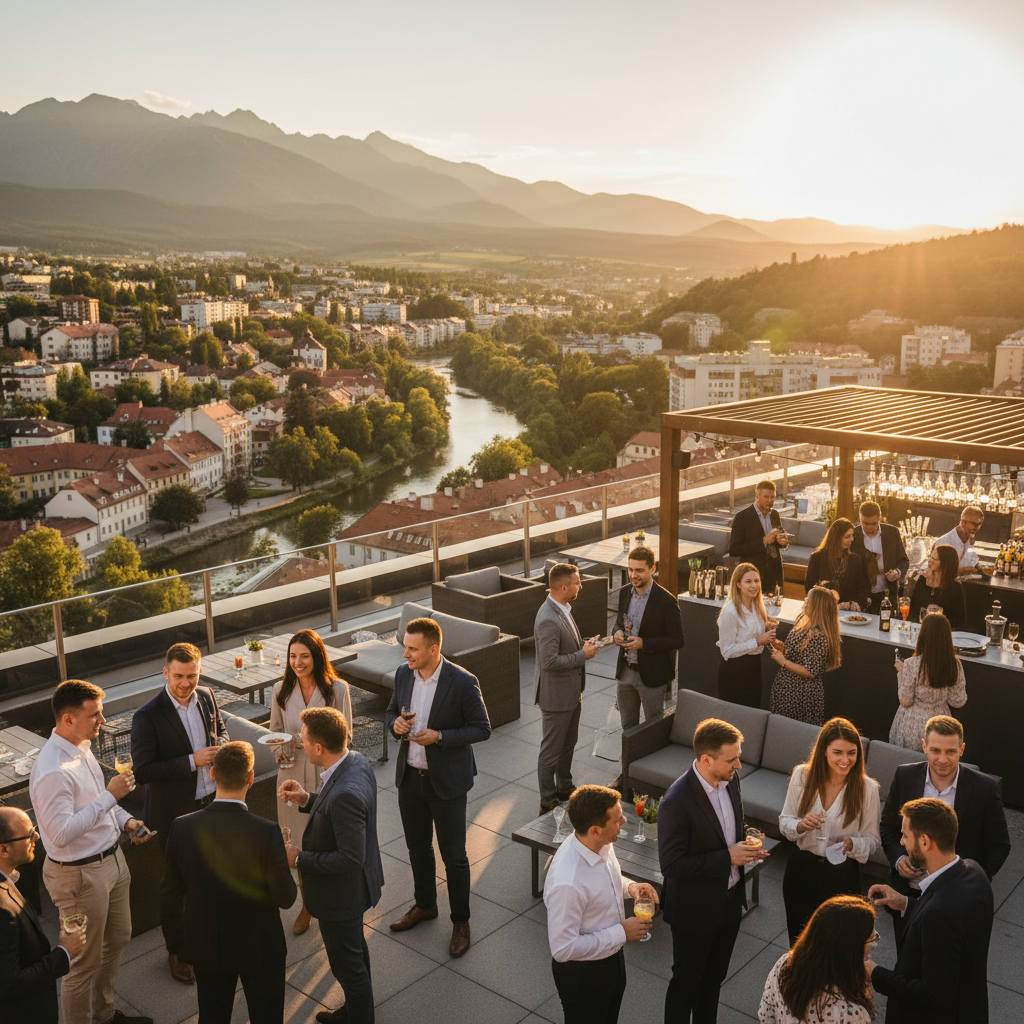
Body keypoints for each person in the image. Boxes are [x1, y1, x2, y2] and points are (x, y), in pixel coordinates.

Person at [29, 679, 154, 1024]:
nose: (103, 720)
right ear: (68, 719)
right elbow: (60, 834)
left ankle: (104, 1014)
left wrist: (126, 820)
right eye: (95, 714)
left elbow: (98, 802)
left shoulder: (81, 747)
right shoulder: (52, 771)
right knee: (82, 962)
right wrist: (112, 795)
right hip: (80, 876)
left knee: (119, 938)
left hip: (112, 859)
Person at [160, 742, 296, 1024]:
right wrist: (284, 861)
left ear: (212, 774)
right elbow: (286, 898)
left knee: (213, 1016)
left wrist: (179, 946)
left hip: (207, 945)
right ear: (251, 777)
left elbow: (170, 896)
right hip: (260, 947)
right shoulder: (267, 832)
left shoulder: (181, 827)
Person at [385, 616, 491, 958]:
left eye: (412, 649)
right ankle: (425, 905)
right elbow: (390, 712)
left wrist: (440, 737)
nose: (405, 654)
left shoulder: (463, 682)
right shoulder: (403, 675)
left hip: (446, 783)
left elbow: (482, 729)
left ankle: (461, 922)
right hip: (409, 779)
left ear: (433, 650)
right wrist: (395, 724)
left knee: (454, 857)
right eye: (405, 647)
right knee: (417, 849)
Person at [658, 718, 769, 1024]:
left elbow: (730, 827)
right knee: (686, 985)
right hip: (694, 911)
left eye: (738, 757)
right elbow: (671, 864)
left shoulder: (731, 780)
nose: (739, 765)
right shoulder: (676, 802)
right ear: (707, 760)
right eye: (732, 759)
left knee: (713, 981)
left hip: (729, 904)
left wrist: (746, 845)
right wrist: (727, 857)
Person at [131, 641, 228, 984]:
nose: (186, 683)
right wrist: (192, 761)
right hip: (174, 814)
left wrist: (222, 748)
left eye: (192, 676)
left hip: (211, 804)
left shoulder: (207, 696)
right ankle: (177, 951)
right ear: (165, 673)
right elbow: (143, 771)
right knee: (175, 886)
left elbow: (220, 730)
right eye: (178, 676)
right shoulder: (146, 716)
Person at [279, 706, 383, 1024]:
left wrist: (298, 858)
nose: (301, 743)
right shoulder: (355, 761)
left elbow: (350, 857)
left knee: (347, 967)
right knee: (355, 953)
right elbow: (336, 810)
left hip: (341, 897)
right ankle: (355, 1011)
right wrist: (307, 799)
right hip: (353, 891)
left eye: (303, 739)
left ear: (319, 748)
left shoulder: (344, 794)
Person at [879, 716, 1010, 944]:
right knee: (906, 960)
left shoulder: (984, 788)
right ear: (924, 747)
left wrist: (971, 880)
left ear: (962, 749)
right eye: (935, 750)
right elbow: (888, 827)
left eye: (950, 752)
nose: (942, 759)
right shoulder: (904, 776)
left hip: (956, 900)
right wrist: (898, 859)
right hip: (908, 893)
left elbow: (1000, 845)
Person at [867, 798, 994, 1023]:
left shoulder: (939, 915)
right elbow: (954, 920)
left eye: (905, 835)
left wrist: (874, 973)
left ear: (925, 842)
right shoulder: (974, 871)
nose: (902, 842)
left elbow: (933, 995)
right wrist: (905, 903)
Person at [544, 785, 661, 1024]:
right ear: (595, 830)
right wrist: (621, 932)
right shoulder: (568, 883)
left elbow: (605, 879)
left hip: (612, 958)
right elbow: (563, 949)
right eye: (617, 820)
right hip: (584, 976)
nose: (624, 822)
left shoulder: (600, 843)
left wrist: (630, 887)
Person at [270, 628, 352, 937]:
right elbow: (275, 730)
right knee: (296, 843)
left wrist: (319, 750)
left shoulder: (338, 690)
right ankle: (308, 903)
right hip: (290, 771)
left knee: (325, 839)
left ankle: (331, 896)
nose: (298, 662)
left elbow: (346, 736)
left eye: (304, 656)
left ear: (317, 657)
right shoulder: (280, 689)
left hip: (325, 772)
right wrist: (279, 751)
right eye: (293, 656)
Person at [779, 717, 881, 945]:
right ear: (824, 751)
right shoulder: (801, 776)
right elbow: (785, 821)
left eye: (852, 753)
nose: (845, 760)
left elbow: (872, 839)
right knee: (799, 941)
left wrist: (853, 844)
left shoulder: (868, 789)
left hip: (842, 875)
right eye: (838, 752)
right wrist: (800, 825)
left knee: (839, 944)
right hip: (801, 870)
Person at [0, 807, 86, 1024]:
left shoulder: (7, 879)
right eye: (29, 834)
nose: (36, 837)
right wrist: (65, 952)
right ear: (4, 849)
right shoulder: (2, 909)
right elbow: (9, 985)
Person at [611, 545, 684, 782]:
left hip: (651, 677)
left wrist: (644, 643)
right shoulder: (625, 592)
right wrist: (616, 633)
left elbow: (678, 640)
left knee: (653, 730)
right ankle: (627, 775)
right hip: (625, 673)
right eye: (631, 570)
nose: (634, 575)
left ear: (653, 569)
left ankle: (652, 778)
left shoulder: (666, 600)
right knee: (628, 728)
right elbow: (618, 623)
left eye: (639, 570)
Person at [535, 564, 598, 814]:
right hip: (557, 698)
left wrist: (585, 645)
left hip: (571, 693)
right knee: (551, 752)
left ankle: (564, 787)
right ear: (564, 587)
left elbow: (567, 645)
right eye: (577, 582)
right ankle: (547, 801)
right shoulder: (548, 619)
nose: (580, 586)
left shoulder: (562, 609)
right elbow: (550, 662)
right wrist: (583, 655)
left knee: (568, 744)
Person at [758, 894, 877, 1024]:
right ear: (850, 949)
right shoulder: (853, 1014)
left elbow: (765, 1016)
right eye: (871, 939)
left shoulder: (785, 964)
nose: (873, 944)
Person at [888, 614, 966, 750]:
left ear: (922, 635)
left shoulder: (912, 664)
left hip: (912, 725)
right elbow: (958, 701)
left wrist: (901, 673)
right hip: (940, 725)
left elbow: (905, 701)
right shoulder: (955, 664)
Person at [769, 586, 841, 726]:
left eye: (809, 599)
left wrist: (783, 662)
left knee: (795, 731)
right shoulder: (805, 621)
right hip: (788, 690)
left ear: (817, 607)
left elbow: (810, 671)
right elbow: (798, 654)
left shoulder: (818, 636)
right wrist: (783, 650)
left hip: (801, 695)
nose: (805, 600)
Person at [716, 562, 776, 708]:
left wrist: (769, 635)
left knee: (752, 713)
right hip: (734, 672)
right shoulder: (730, 612)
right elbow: (727, 651)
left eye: (756, 581)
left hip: (754, 668)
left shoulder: (758, 606)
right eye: (748, 581)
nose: (754, 585)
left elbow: (753, 637)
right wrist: (758, 641)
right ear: (738, 584)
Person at [728, 479, 790, 595]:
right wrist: (763, 541)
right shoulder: (742, 517)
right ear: (757, 496)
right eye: (766, 497)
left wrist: (783, 542)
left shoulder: (775, 514)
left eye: (772, 497)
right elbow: (734, 550)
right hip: (752, 576)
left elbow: (777, 542)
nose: (770, 501)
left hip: (774, 575)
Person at [852, 500, 909, 615]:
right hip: (861, 595)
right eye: (865, 523)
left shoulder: (892, 532)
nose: (869, 527)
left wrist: (897, 572)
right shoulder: (853, 535)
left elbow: (904, 560)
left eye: (873, 523)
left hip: (887, 594)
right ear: (860, 518)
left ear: (879, 518)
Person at [804, 517, 871, 611]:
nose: (851, 539)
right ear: (836, 537)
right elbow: (810, 588)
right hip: (822, 611)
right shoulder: (817, 557)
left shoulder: (855, 560)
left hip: (847, 612)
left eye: (852, 535)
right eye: (847, 536)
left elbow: (864, 588)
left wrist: (855, 603)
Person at [907, 544, 966, 629]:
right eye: (930, 557)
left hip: (941, 631)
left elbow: (959, 621)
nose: (929, 561)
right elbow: (912, 610)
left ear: (945, 563)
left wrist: (940, 615)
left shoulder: (955, 587)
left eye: (933, 559)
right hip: (919, 629)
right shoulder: (922, 580)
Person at [933, 505, 984, 577]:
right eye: (974, 524)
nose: (977, 527)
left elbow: (972, 562)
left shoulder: (969, 539)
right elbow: (939, 571)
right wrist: (964, 570)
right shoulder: (945, 541)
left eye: (979, 524)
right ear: (963, 523)